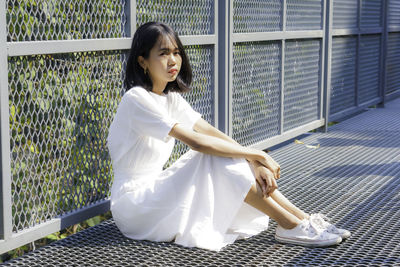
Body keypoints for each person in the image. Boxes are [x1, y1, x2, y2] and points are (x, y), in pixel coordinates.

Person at [107, 21, 350, 252]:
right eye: (163, 53)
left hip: (155, 192)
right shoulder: (136, 99)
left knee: (224, 153)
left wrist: (254, 162)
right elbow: (197, 142)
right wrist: (257, 154)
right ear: (143, 61)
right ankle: (288, 224)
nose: (173, 60)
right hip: (135, 205)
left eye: (177, 52)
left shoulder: (171, 99)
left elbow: (212, 133)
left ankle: (302, 219)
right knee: (211, 155)